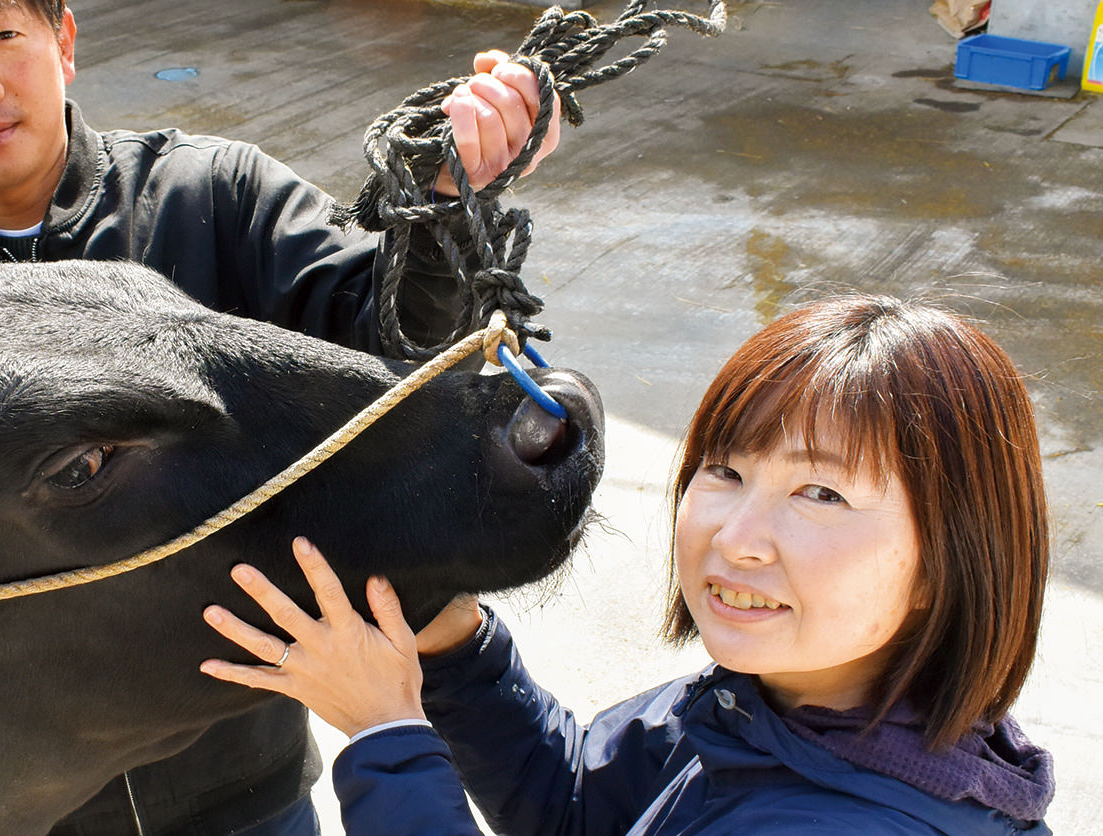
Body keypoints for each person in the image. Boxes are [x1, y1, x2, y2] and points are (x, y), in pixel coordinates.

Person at [0, 0, 564, 833]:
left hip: (245, 784)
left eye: (5, 33)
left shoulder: (212, 194)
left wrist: (446, 195)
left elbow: (386, 340)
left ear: (65, 41)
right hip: (27, 804)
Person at [201, 294, 1056, 836]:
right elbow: (577, 806)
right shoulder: (780, 710)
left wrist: (388, 738)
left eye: (821, 495)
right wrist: (457, 649)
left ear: (949, 561)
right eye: (725, 471)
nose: (737, 536)